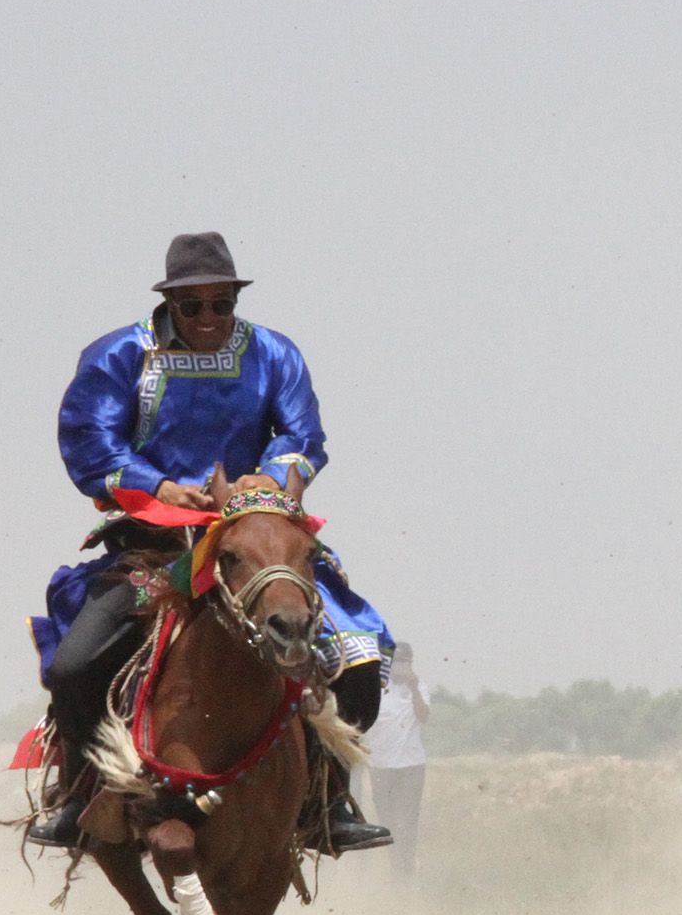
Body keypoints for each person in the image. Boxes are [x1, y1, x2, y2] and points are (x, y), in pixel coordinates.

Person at [27, 230, 391, 852]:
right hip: (154, 548)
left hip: (257, 538)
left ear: (234, 300)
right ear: (169, 302)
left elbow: (304, 434)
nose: (208, 319)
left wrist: (264, 480)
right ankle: (79, 795)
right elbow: (89, 442)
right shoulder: (119, 356)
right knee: (74, 665)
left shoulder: (275, 354)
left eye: (221, 304)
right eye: (192, 306)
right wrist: (160, 486)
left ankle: (331, 801)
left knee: (357, 657)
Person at [360, 638, 429, 878]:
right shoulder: (375, 691)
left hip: (411, 766)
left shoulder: (419, 689)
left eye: (404, 662)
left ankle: (406, 871)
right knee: (387, 822)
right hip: (381, 768)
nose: (400, 666)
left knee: (407, 822)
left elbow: (423, 716)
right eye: (396, 662)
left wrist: (414, 689)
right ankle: (395, 867)